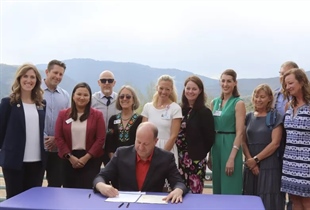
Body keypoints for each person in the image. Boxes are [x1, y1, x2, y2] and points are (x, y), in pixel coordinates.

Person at [93, 122, 188, 203]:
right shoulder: (121, 153)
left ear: (155, 141)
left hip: (151, 205)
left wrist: (178, 190)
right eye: (138, 142)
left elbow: (179, 183)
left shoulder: (166, 158)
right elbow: (100, 177)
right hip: (124, 204)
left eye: (146, 144)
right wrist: (101, 186)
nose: (141, 148)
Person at [0, 63, 46, 199]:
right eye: (25, 76)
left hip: (37, 163)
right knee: (15, 201)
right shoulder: (8, 103)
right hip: (14, 163)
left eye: (32, 77)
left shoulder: (41, 104)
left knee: (34, 202)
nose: (29, 80)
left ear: (37, 81)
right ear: (19, 78)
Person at [55, 82, 105, 189]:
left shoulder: (97, 115)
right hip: (68, 159)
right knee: (68, 191)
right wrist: (70, 157)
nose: (82, 97)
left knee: (88, 191)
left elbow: (100, 139)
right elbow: (59, 137)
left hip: (90, 160)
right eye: (79, 94)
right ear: (73, 96)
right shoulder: (63, 114)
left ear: (90, 98)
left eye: (85, 95)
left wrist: (86, 158)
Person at [242, 84, 285, 210]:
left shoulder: (276, 117)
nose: (258, 99)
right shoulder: (249, 117)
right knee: (250, 198)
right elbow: (243, 141)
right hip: (250, 165)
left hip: (269, 166)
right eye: (256, 96)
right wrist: (250, 161)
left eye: (262, 97)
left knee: (269, 200)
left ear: (269, 99)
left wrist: (256, 160)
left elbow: (275, 143)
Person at [209, 69, 246, 195]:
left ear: (235, 83)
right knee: (217, 186)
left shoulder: (238, 103)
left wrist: (231, 158)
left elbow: (240, 133)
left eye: (229, 81)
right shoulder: (214, 102)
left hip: (231, 145)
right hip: (216, 146)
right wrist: (210, 154)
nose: (225, 84)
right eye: (223, 81)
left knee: (230, 185)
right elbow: (211, 130)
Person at [176, 75, 215, 193]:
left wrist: (200, 154)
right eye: (188, 88)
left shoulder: (204, 112)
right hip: (178, 157)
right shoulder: (179, 109)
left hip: (195, 160)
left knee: (194, 193)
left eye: (194, 89)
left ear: (200, 91)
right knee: (178, 191)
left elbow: (209, 138)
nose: (190, 92)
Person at [280, 68, 310, 210]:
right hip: (290, 162)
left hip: (307, 163)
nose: (288, 87)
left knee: (307, 202)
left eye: (291, 83)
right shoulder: (288, 106)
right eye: (286, 84)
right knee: (294, 201)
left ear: (302, 82)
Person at [141, 75, 182, 166]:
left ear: (171, 90)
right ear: (157, 88)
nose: (164, 92)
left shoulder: (175, 108)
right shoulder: (148, 107)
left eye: (167, 89)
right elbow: (142, 132)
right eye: (161, 88)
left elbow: (174, 136)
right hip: (148, 149)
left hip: (167, 150)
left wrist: (161, 155)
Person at [274, 61, 299, 210]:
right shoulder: (275, 95)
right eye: (281, 74)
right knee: (279, 184)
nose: (282, 77)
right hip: (278, 144)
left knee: (296, 191)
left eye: (286, 74)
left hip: (297, 145)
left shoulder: (303, 98)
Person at [42, 59, 70, 187]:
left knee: (56, 186)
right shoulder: (35, 92)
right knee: (33, 184)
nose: (58, 77)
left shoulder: (65, 96)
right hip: (37, 148)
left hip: (58, 151)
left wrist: (56, 138)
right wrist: (44, 138)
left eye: (61, 74)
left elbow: (69, 121)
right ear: (47, 72)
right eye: (55, 73)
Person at [105, 85, 142, 159]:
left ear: (133, 99)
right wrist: (113, 160)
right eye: (121, 96)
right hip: (115, 160)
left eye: (128, 97)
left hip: (134, 160)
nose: (124, 99)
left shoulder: (140, 120)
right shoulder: (113, 119)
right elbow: (109, 142)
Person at [92, 70, 119, 166]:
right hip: (95, 145)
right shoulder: (92, 100)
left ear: (114, 83)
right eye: (103, 81)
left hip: (113, 147)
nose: (106, 83)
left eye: (110, 80)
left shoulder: (120, 100)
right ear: (99, 83)